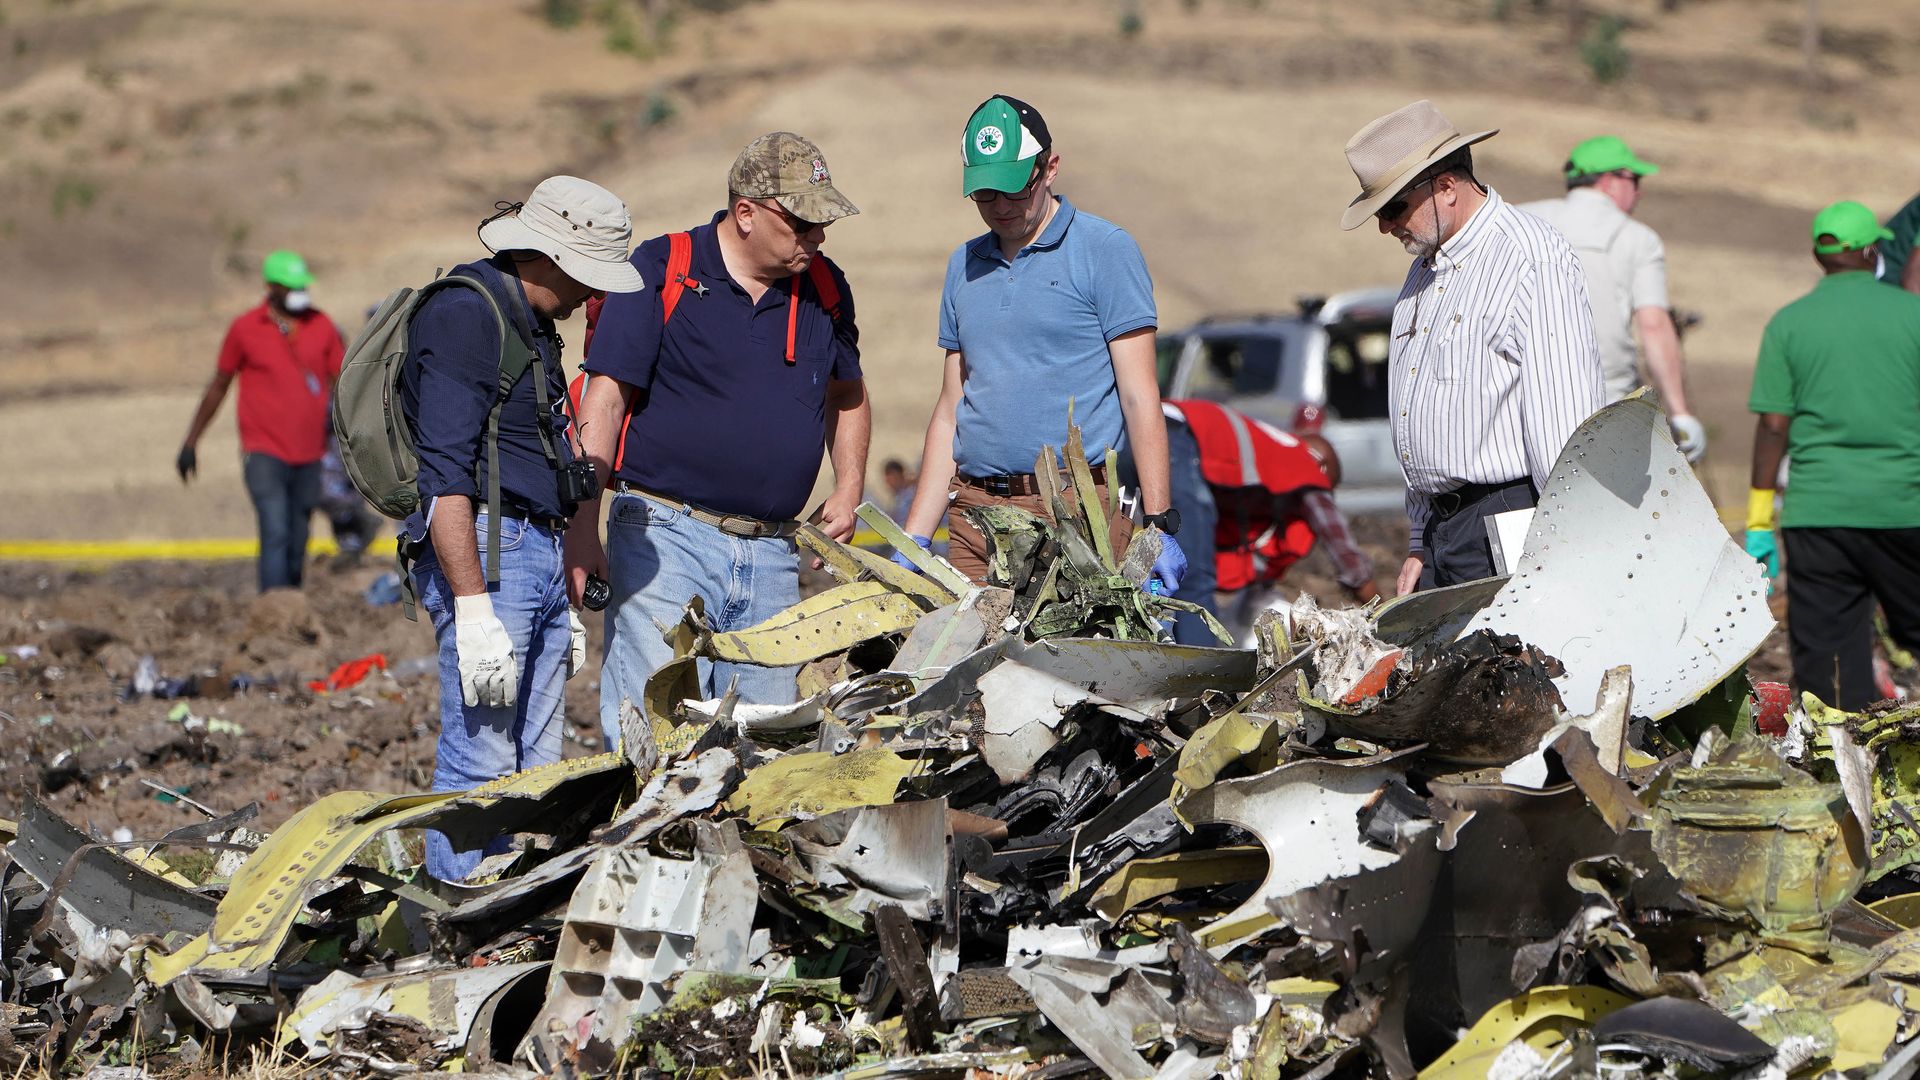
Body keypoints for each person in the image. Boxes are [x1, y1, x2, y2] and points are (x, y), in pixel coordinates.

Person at [568, 133, 869, 738]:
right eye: (802, 223)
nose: (817, 237)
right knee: (655, 732)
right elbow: (604, 399)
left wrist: (850, 484)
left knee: (765, 743)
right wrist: (581, 529)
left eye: (821, 224)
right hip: (664, 538)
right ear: (747, 212)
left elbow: (848, 395)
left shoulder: (825, 289)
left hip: (773, 556)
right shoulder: (660, 270)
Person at [401, 176, 644, 881]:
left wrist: (556, 585)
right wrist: (473, 610)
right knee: (481, 759)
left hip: (530, 553)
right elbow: (444, 478)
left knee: (537, 763)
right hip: (487, 553)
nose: (586, 296)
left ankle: (510, 915)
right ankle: (456, 919)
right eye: (585, 277)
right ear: (553, 258)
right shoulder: (464, 316)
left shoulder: (533, 325)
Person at [897, 94, 1185, 592]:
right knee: (973, 668)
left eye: (1014, 190)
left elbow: (1140, 397)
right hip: (974, 516)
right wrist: (916, 538)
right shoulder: (962, 266)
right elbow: (952, 408)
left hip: (1074, 517)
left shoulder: (1105, 250)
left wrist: (1157, 524)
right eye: (986, 194)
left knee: (1071, 668)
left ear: (1049, 168)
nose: (1001, 207)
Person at [1338, 99, 1604, 594]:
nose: (1385, 226)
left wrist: (1569, 545)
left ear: (1446, 187)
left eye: (1393, 208)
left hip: (1514, 523)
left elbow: (1567, 424)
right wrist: (1421, 538)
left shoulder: (1532, 260)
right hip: (1447, 531)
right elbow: (1418, 406)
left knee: (1513, 671)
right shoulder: (1424, 270)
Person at [1746, 200, 1920, 710]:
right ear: (1873, 250)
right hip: (1904, 508)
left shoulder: (1789, 323)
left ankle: (1840, 771)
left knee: (1829, 660)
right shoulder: (1913, 315)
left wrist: (1758, 522)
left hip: (1818, 516)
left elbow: (1773, 426)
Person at [1521, 136, 1706, 462]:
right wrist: (1680, 413)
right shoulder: (1638, 238)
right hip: (1605, 400)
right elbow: (1653, 325)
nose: (1639, 190)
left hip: (1525, 398)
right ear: (1610, 181)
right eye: (1634, 179)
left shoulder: (1523, 221)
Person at [177, 250, 345, 592]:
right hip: (263, 450)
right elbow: (219, 385)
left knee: (299, 534)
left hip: (311, 452)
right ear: (271, 287)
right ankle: (272, 607)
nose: (300, 292)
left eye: (302, 286)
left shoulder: (322, 325)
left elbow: (343, 383)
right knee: (275, 528)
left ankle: (291, 606)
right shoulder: (245, 328)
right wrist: (191, 441)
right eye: (291, 286)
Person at [1154, 400, 1378, 645]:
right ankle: (1201, 675)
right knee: (1193, 582)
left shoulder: (1267, 450)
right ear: (1323, 469)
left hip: (1146, 420)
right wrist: (1380, 609)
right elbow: (1341, 547)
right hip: (1175, 436)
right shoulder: (1306, 466)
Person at [881, 458, 916, 524]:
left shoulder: (910, 495)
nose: (889, 483)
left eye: (893, 478)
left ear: (900, 475)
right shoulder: (897, 497)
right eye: (887, 480)